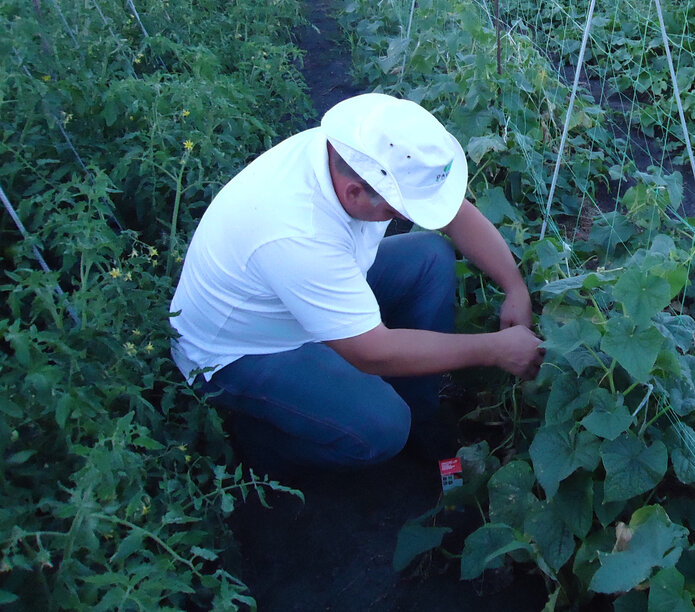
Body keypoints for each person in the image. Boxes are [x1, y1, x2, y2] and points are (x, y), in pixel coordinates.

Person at [169, 93, 544, 475]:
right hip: (241, 351)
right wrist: (494, 349)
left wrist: (514, 286)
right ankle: (256, 440)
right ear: (355, 195)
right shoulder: (298, 233)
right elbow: (371, 350)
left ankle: (422, 411)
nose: (404, 216)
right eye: (400, 210)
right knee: (383, 427)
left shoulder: (355, 158)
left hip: (296, 300)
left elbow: (453, 214)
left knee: (430, 257)